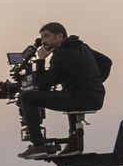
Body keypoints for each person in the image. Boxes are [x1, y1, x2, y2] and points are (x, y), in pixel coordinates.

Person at [16, 22, 108, 158]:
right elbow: (106, 62)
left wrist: (40, 60)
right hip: (96, 97)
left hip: (80, 98)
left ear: (59, 36)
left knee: (27, 97)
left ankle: (38, 144)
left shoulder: (62, 53)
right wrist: (94, 82)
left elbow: (43, 85)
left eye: (46, 36)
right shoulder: (81, 46)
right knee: (68, 92)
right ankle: (73, 144)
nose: (43, 41)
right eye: (42, 37)